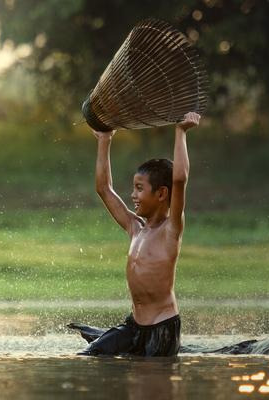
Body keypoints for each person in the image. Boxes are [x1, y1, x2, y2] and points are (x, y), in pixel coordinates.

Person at [80, 112, 201, 357]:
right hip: (134, 325)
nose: (133, 196)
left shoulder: (171, 230)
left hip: (162, 328)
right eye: (133, 188)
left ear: (161, 194)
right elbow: (103, 189)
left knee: (149, 383)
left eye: (139, 189)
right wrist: (104, 140)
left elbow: (179, 179)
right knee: (91, 355)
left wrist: (181, 132)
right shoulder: (134, 227)